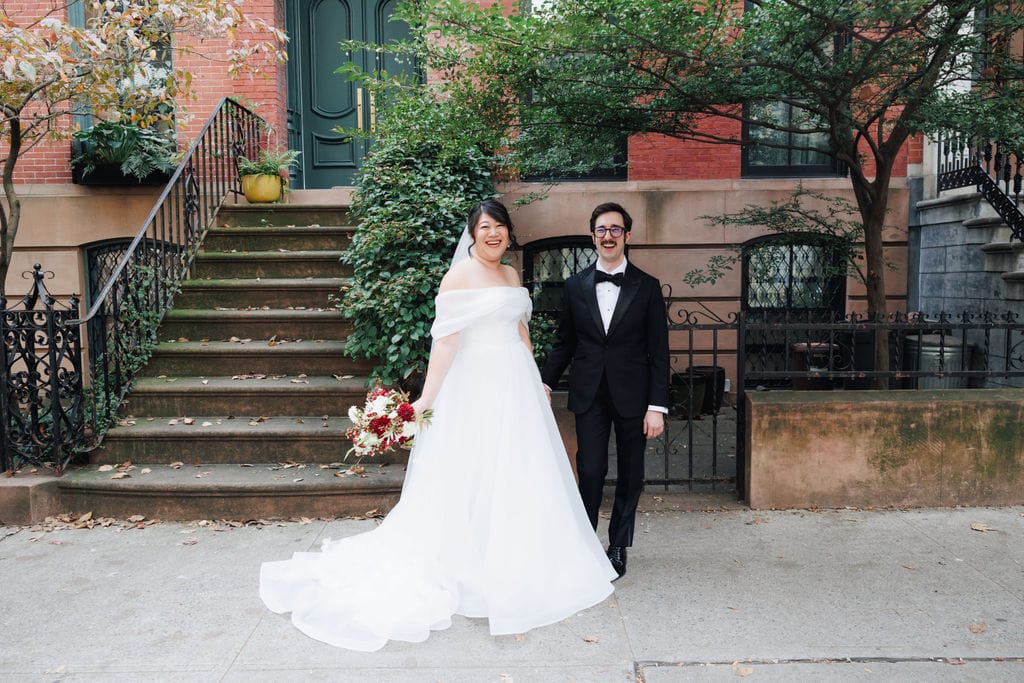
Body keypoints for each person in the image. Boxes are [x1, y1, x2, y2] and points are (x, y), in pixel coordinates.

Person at [259, 198, 616, 652]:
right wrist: (426, 399)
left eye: (500, 227)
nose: (494, 234)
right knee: (473, 470)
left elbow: (521, 328)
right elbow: (446, 344)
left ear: (508, 232)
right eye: (485, 227)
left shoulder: (510, 273)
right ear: (473, 233)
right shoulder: (458, 276)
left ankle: (519, 557)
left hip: (517, 386)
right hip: (475, 387)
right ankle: (469, 560)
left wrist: (536, 378)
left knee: (520, 471)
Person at [540, 202, 670, 580]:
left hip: (635, 395)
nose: (608, 236)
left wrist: (657, 405)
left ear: (627, 236)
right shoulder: (575, 285)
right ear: (592, 236)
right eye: (601, 229)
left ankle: (618, 545)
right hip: (590, 393)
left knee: (632, 473)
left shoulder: (646, 287)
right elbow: (565, 342)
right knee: (591, 469)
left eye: (616, 229)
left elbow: (659, 351)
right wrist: (545, 380)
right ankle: (583, 543)